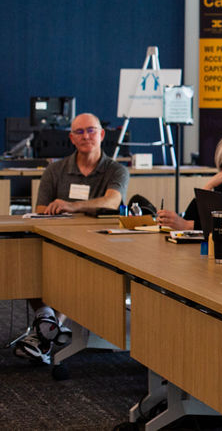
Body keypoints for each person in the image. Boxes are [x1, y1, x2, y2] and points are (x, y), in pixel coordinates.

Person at [16, 112, 129, 364]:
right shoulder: (55, 170)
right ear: (71, 138)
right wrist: (55, 209)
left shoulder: (116, 170)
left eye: (91, 130)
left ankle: (43, 332)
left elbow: (112, 202)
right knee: (31, 259)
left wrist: (72, 206)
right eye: (79, 132)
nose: (86, 136)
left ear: (101, 134)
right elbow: (41, 209)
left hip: (99, 244)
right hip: (57, 240)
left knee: (73, 268)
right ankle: (47, 321)